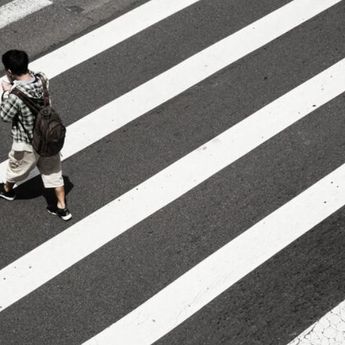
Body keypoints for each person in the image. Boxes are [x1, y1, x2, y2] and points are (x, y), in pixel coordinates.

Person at [0, 49, 72, 221]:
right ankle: (62, 207)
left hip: (27, 143)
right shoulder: (42, 79)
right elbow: (34, 77)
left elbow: (4, 116)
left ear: (9, 71)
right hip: (48, 138)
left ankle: (7, 190)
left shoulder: (14, 96)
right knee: (54, 173)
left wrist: (5, 93)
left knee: (16, 168)